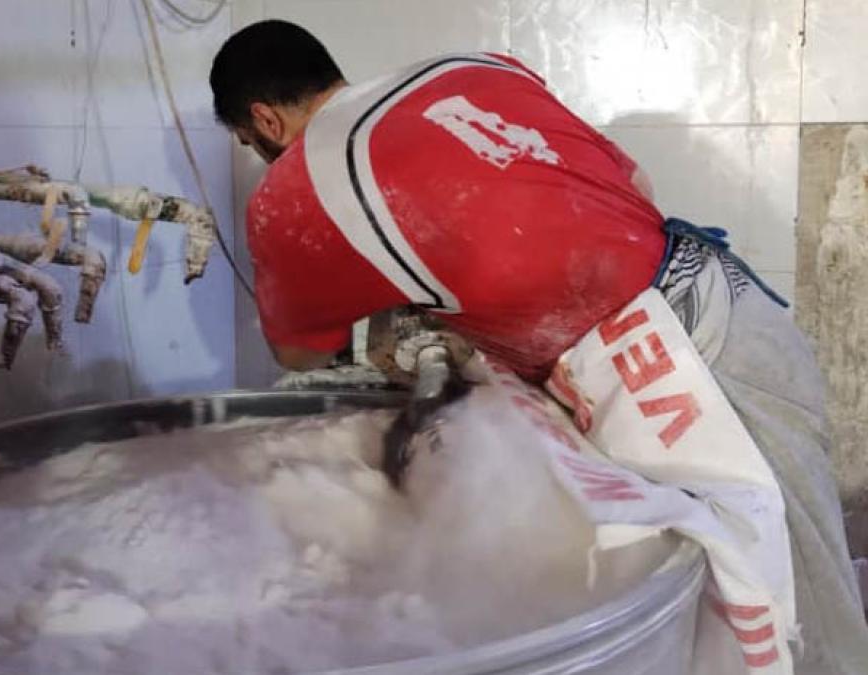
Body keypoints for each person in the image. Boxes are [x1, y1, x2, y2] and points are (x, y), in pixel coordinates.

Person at [210, 19, 868, 674]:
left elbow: (297, 356)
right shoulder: (470, 70)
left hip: (698, 376)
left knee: (792, 614)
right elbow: (631, 185)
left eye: (247, 141)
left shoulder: (292, 192)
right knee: (773, 583)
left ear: (265, 121)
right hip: (740, 318)